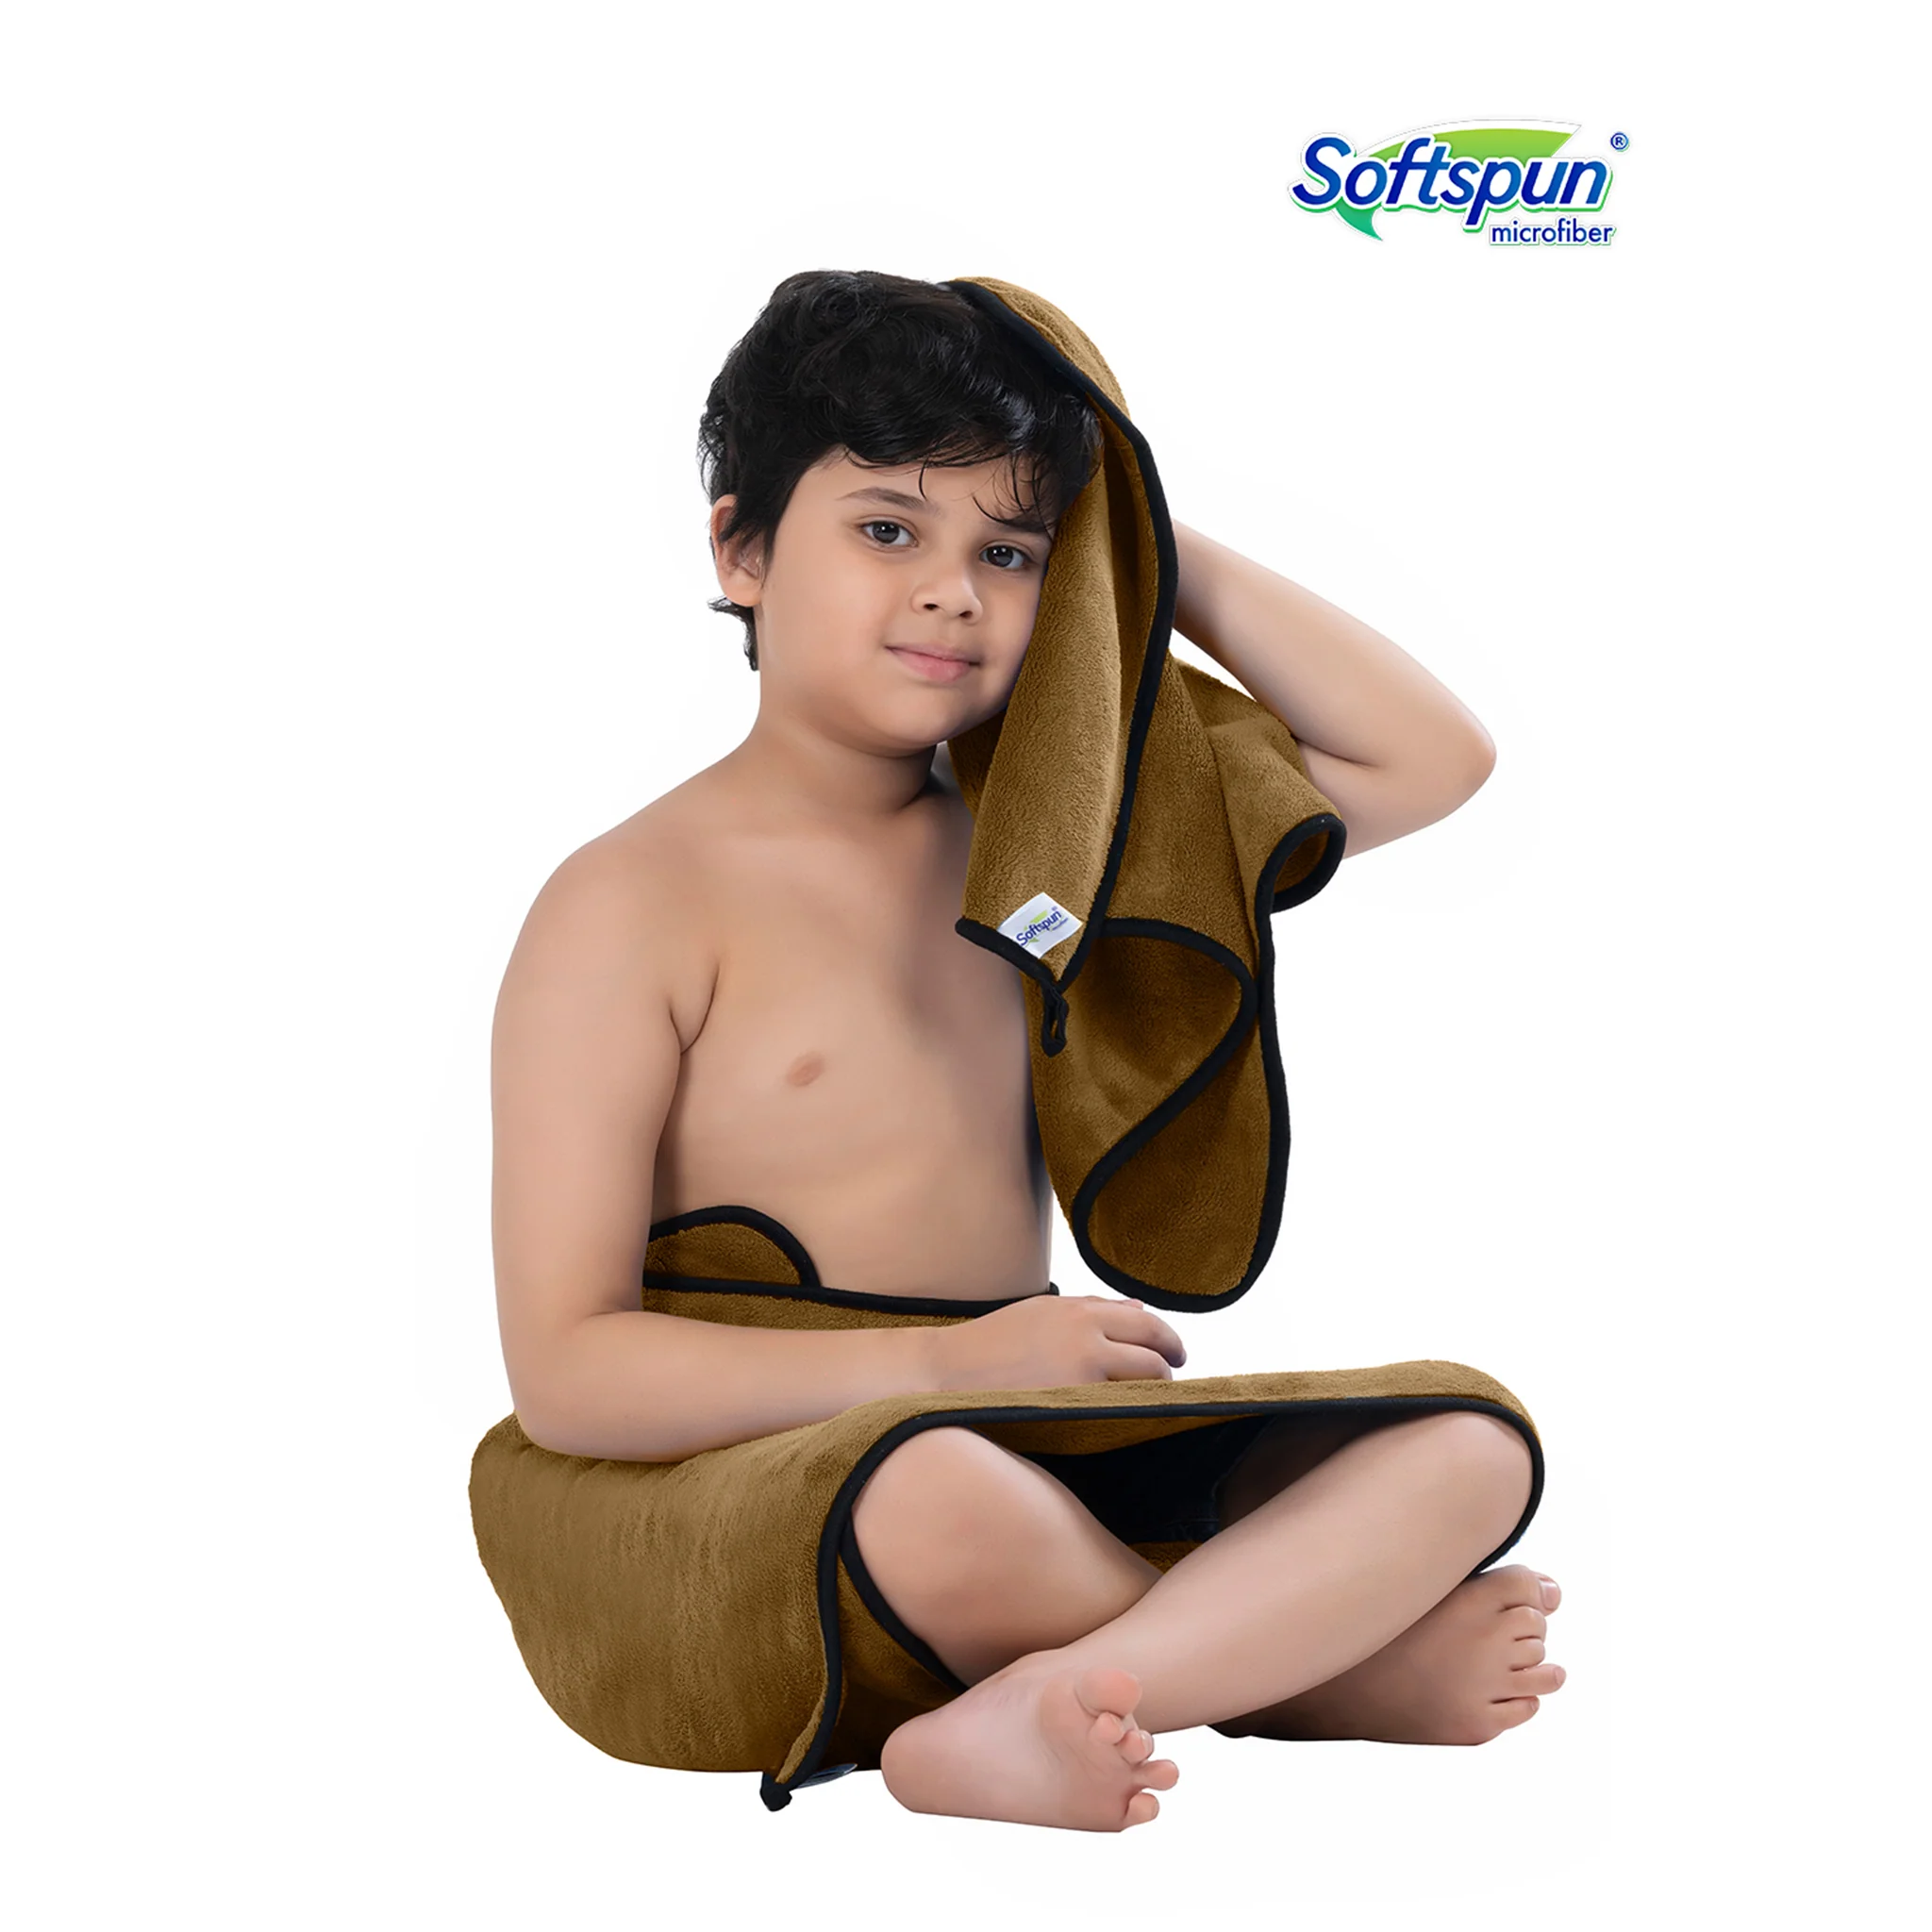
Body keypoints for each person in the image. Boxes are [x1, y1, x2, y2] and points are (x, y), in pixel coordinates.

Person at [486, 269, 1565, 1831]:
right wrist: (945, 1368)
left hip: (1018, 1419)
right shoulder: (628, 901)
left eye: (1009, 551)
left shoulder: (1063, 841)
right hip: (731, 1485)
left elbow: (1426, 757)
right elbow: (568, 1375)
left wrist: (1139, 542)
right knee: (940, 1493)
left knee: (1463, 1445)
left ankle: (1047, 1698)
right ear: (741, 549)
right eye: (887, 530)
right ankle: (1306, 1674)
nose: (955, 594)